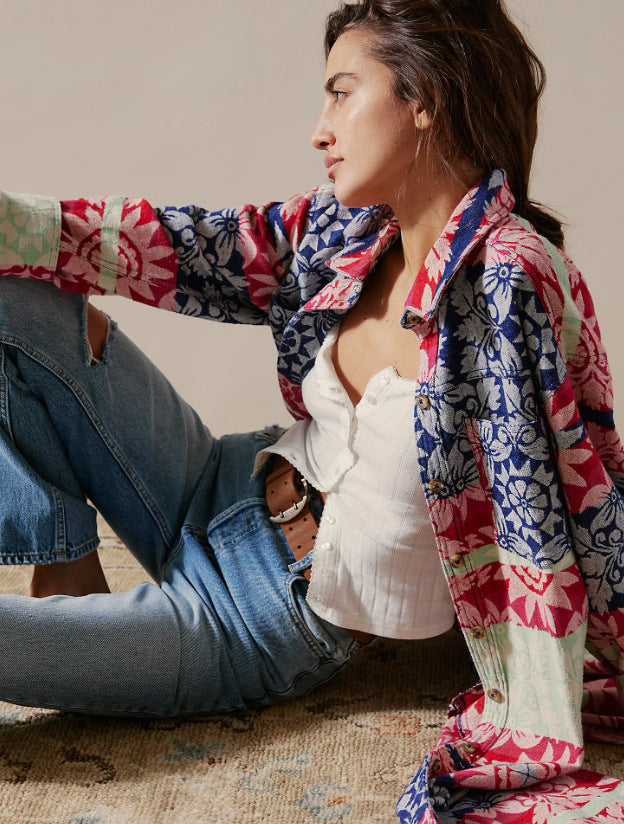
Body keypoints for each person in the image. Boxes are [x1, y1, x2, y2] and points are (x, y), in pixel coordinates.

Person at [0, 0, 623, 821]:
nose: (319, 130)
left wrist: (534, 697)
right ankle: (67, 558)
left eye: (341, 93)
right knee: (14, 284)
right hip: (215, 480)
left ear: (426, 98)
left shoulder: (506, 279)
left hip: (254, 619)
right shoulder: (349, 228)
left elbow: (533, 500)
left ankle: (77, 608)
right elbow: (193, 244)